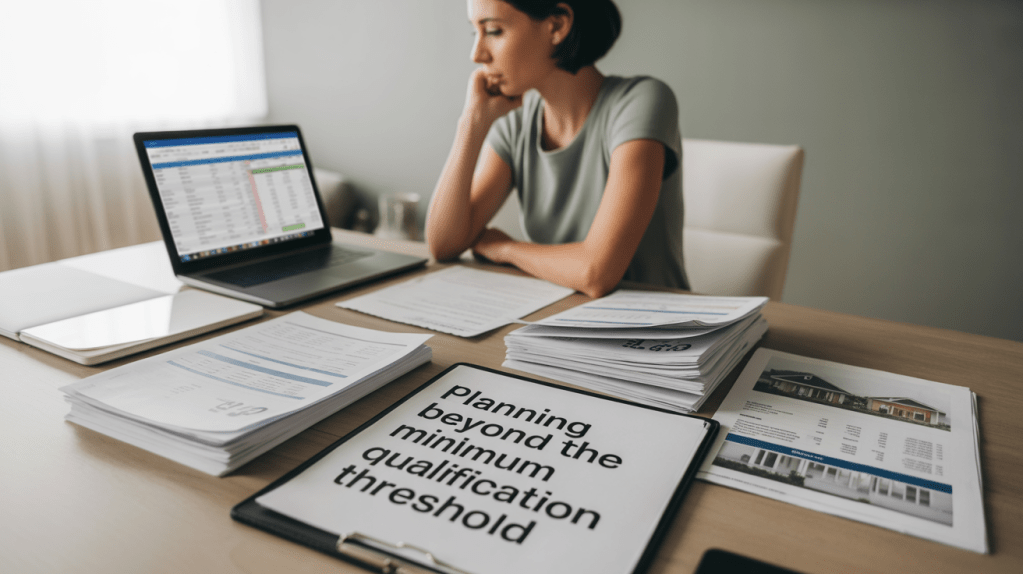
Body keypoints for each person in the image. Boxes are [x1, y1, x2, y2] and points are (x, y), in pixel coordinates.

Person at [426, 0, 688, 298]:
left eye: (494, 31)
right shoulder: (517, 122)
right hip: (560, 316)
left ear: (558, 26)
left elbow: (596, 273)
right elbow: (443, 244)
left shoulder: (640, 102)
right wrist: (471, 125)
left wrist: (504, 248)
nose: (477, 55)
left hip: (659, 329)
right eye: (475, 33)